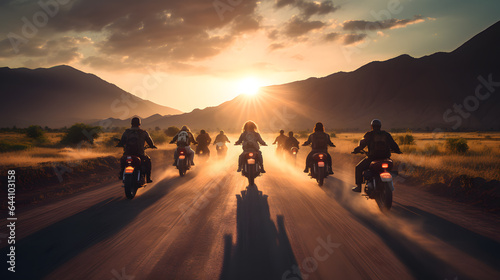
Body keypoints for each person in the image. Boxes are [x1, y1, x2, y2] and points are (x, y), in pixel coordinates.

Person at [351, 119, 402, 192]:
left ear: (371, 126)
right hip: (385, 158)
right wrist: (398, 151)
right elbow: (393, 144)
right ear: (380, 126)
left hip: (372, 158)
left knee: (358, 168)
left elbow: (362, 145)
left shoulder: (369, 134)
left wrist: (356, 150)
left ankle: (359, 187)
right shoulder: (386, 134)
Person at [117, 117, 157, 183]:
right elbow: (150, 142)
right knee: (148, 161)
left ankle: (121, 174)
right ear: (139, 124)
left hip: (128, 153)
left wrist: (119, 145)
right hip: (140, 154)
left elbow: (121, 142)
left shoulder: (126, 132)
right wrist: (152, 146)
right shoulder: (144, 132)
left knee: (123, 160)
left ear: (131, 124)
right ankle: (148, 178)